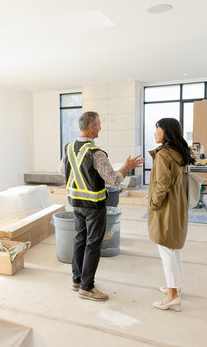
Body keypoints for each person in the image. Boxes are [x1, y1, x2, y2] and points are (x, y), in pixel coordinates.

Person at [59, 111, 143, 302]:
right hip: (93, 205)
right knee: (93, 244)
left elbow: (62, 170)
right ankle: (87, 287)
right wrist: (127, 167)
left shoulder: (69, 148)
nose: (100, 128)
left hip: (75, 203)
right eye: (98, 124)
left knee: (80, 239)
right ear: (90, 127)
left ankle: (77, 280)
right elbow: (113, 179)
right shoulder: (96, 153)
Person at [148, 118, 195, 312]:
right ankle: (174, 286)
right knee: (174, 247)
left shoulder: (164, 155)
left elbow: (162, 184)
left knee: (166, 248)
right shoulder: (181, 153)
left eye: (157, 129)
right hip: (178, 205)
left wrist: (153, 203)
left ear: (165, 131)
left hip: (166, 206)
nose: (155, 133)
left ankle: (172, 295)